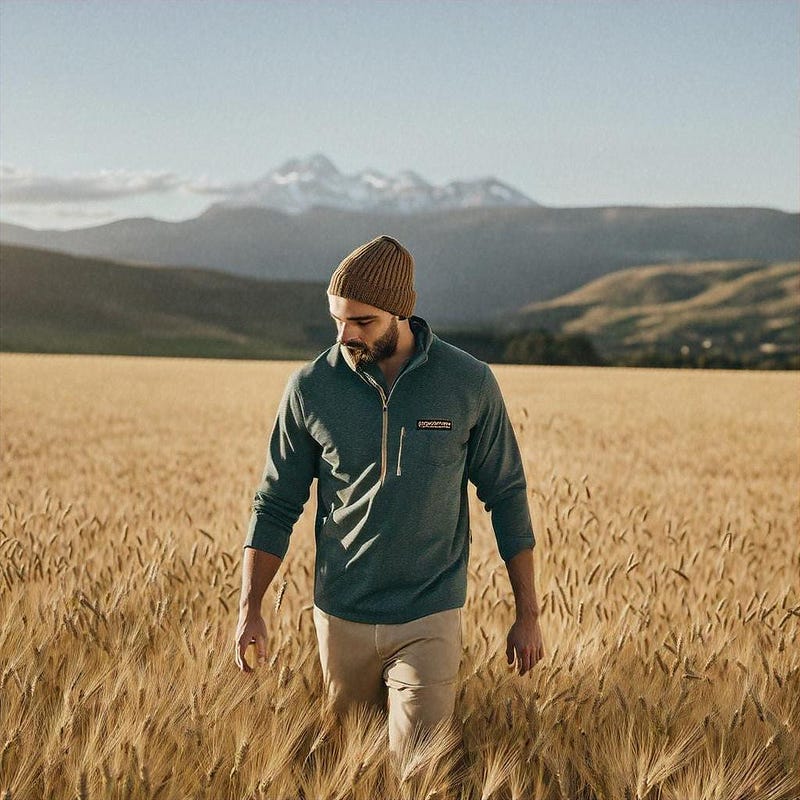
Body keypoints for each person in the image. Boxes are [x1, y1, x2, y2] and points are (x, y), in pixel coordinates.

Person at [234, 234, 544, 757]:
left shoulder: (468, 382)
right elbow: (276, 502)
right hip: (341, 613)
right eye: (337, 320)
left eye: (362, 322)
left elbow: (507, 495)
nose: (345, 335)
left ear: (401, 312)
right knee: (355, 764)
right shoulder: (311, 386)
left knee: (417, 768)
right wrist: (250, 607)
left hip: (429, 613)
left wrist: (528, 613)